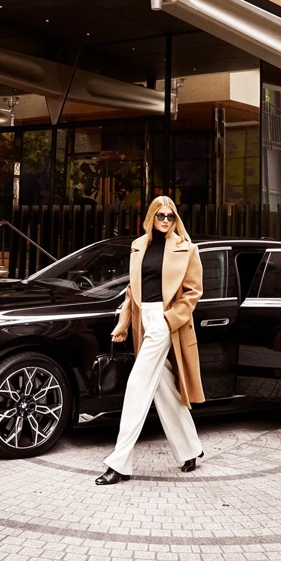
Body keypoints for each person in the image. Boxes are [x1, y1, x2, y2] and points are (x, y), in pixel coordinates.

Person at [95, 196, 205, 484]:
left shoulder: (186, 248)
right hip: (144, 322)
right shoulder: (139, 246)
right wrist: (123, 324)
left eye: (170, 216)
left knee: (137, 386)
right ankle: (190, 448)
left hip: (165, 322)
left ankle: (119, 463)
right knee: (162, 387)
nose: (166, 220)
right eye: (161, 216)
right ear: (151, 217)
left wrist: (169, 321)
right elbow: (134, 292)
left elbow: (193, 292)